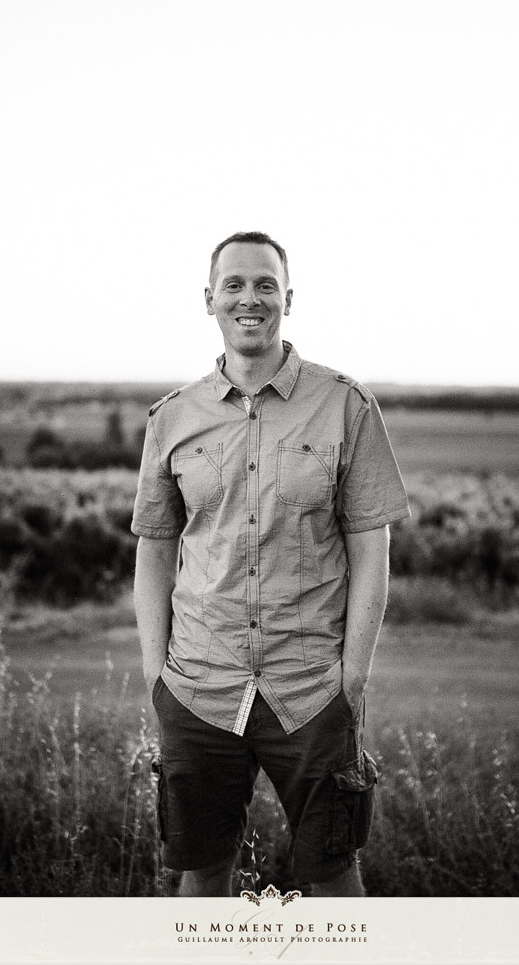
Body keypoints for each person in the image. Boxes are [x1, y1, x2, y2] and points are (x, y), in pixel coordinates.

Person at [131, 231, 410, 897]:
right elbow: (154, 548)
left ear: (288, 297)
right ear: (209, 300)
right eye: (233, 284)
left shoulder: (346, 404)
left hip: (312, 689)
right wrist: (156, 676)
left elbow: (372, 547)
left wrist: (353, 677)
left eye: (264, 284)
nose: (249, 297)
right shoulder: (171, 419)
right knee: (201, 871)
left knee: (334, 873)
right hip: (198, 687)